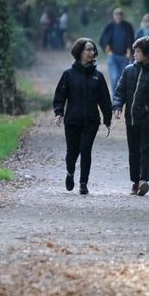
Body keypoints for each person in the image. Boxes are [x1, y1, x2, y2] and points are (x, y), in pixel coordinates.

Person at [53, 37, 112, 195]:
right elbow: (60, 95)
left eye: (93, 50)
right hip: (72, 120)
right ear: (79, 52)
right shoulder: (68, 74)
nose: (91, 52)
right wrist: (59, 113)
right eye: (88, 49)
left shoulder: (98, 77)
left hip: (91, 120)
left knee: (86, 150)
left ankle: (83, 183)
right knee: (72, 152)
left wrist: (107, 119)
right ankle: (70, 172)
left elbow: (104, 99)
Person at [112, 35, 149, 196]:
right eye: (135, 50)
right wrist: (117, 106)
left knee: (146, 149)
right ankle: (135, 181)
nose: (134, 54)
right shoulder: (128, 70)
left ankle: (143, 180)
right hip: (130, 119)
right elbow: (120, 90)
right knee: (133, 151)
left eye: (138, 51)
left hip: (148, 121)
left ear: (148, 54)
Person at [99, 7, 135, 93]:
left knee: (122, 78)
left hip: (125, 56)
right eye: (116, 14)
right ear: (113, 16)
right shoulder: (109, 26)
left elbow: (132, 40)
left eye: (120, 14)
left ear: (123, 16)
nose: (118, 16)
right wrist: (108, 50)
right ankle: (114, 98)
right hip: (113, 56)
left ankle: (120, 98)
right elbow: (102, 40)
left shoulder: (128, 26)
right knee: (114, 77)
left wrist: (130, 52)